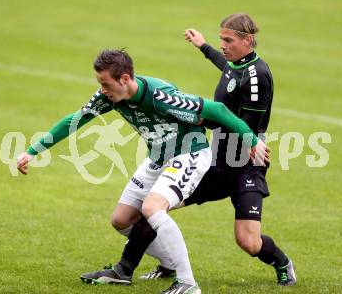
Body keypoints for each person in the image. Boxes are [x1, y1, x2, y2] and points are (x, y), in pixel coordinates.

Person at [16, 48, 269, 294]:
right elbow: (77, 118)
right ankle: (169, 264)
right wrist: (33, 150)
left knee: (152, 208)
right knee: (121, 219)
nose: (102, 90)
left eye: (106, 84)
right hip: (158, 158)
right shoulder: (108, 97)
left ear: (124, 79)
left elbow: (218, 111)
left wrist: (253, 140)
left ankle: (188, 283)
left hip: (189, 153)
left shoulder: (161, 96)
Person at [109, 13, 296, 287]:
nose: (223, 45)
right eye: (221, 39)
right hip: (216, 163)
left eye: (228, 40)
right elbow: (227, 68)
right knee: (157, 205)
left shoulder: (258, 77)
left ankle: (282, 263)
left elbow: (247, 127)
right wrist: (203, 46)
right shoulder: (237, 64)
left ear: (248, 40)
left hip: (245, 163)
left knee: (248, 241)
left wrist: (201, 118)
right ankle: (127, 269)